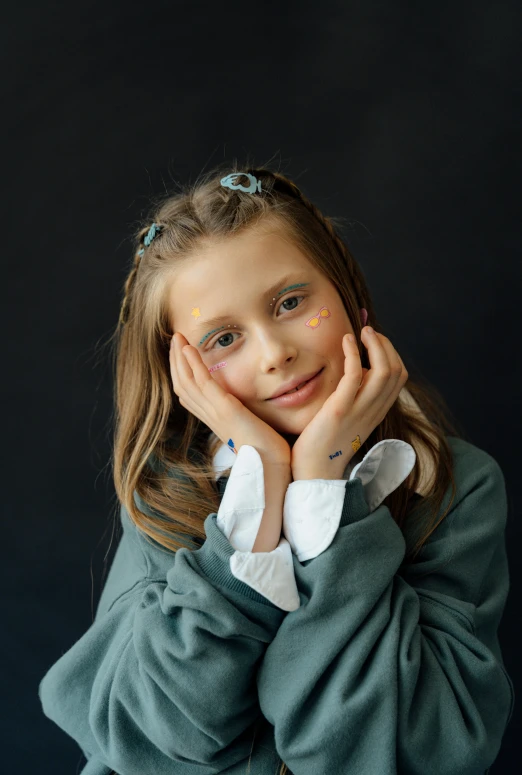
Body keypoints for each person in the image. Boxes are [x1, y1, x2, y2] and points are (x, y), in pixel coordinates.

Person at [38, 163, 514, 775]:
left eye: (291, 302)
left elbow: (410, 751)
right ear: (181, 374)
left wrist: (326, 490)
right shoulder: (167, 495)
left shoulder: (454, 486)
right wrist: (259, 495)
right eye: (223, 340)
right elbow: (146, 741)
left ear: (348, 294)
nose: (275, 353)